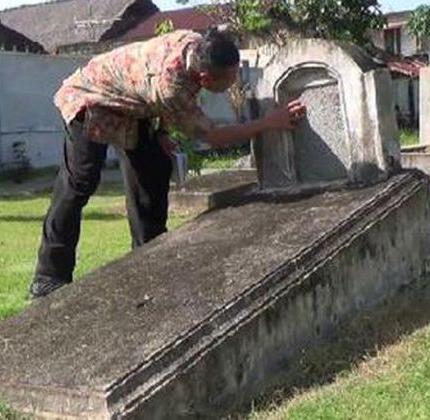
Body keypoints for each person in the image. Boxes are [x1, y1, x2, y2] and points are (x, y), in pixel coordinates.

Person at [29, 28, 307, 298]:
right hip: (89, 97)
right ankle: (48, 277)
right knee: (80, 181)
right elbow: (215, 136)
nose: (234, 82)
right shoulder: (171, 84)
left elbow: (152, 89)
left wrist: (161, 131)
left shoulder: (196, 44)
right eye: (230, 79)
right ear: (206, 78)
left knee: (154, 168)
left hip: (131, 104)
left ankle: (149, 258)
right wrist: (271, 123)